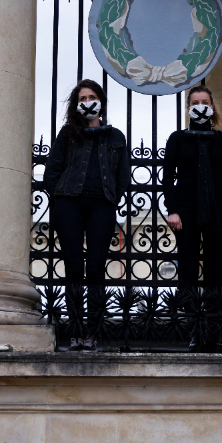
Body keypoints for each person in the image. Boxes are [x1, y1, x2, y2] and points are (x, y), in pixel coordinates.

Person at [42, 79, 130, 350]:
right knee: (73, 268)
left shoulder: (115, 136)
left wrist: (113, 196)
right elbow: (52, 171)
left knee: (95, 269)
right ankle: (75, 331)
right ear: (76, 104)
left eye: (91, 96)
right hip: (70, 204)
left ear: (100, 101)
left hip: (101, 205)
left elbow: (123, 174)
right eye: (82, 98)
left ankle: (93, 332)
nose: (87, 101)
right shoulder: (68, 133)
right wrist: (58, 201)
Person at [163, 85, 222, 338]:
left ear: (212, 106)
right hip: (185, 212)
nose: (200, 106)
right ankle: (192, 327)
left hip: (217, 211)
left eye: (204, 101)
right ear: (188, 108)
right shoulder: (177, 138)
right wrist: (172, 210)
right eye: (194, 102)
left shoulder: (221, 139)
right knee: (187, 268)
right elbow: (167, 178)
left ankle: (215, 327)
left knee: (215, 269)